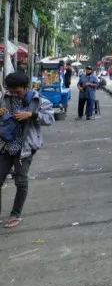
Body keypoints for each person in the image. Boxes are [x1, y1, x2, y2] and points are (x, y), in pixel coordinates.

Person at [0, 72, 54, 228]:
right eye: (11, 91)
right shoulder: (5, 98)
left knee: (21, 181)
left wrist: (31, 114)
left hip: (25, 149)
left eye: (18, 91)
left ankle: (15, 214)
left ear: (26, 87)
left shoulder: (38, 100)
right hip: (6, 146)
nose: (14, 95)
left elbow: (50, 118)